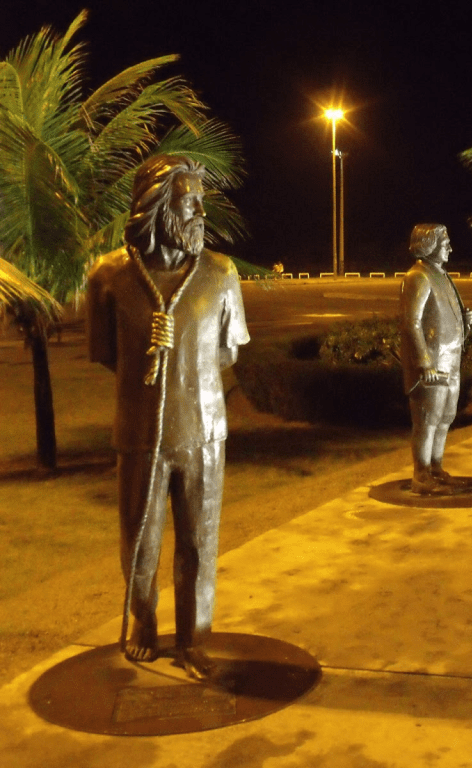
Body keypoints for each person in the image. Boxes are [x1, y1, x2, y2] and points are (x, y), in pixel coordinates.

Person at [86, 155, 249, 680]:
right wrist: (150, 359)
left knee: (200, 542)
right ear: (157, 207)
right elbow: (109, 355)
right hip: (139, 432)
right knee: (140, 539)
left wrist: (182, 366)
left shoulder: (221, 274)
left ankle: (194, 635)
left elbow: (226, 355)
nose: (202, 211)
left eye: (202, 200)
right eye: (190, 201)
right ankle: (142, 623)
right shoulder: (109, 278)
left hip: (204, 431)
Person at [399, 224, 472, 493]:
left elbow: (440, 317)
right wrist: (423, 362)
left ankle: (436, 467)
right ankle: (421, 475)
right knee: (427, 419)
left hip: (450, 361)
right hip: (431, 364)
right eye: (445, 243)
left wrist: (464, 322)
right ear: (429, 246)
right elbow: (411, 322)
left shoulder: (441, 275)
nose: (450, 248)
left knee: (445, 417)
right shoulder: (418, 276)